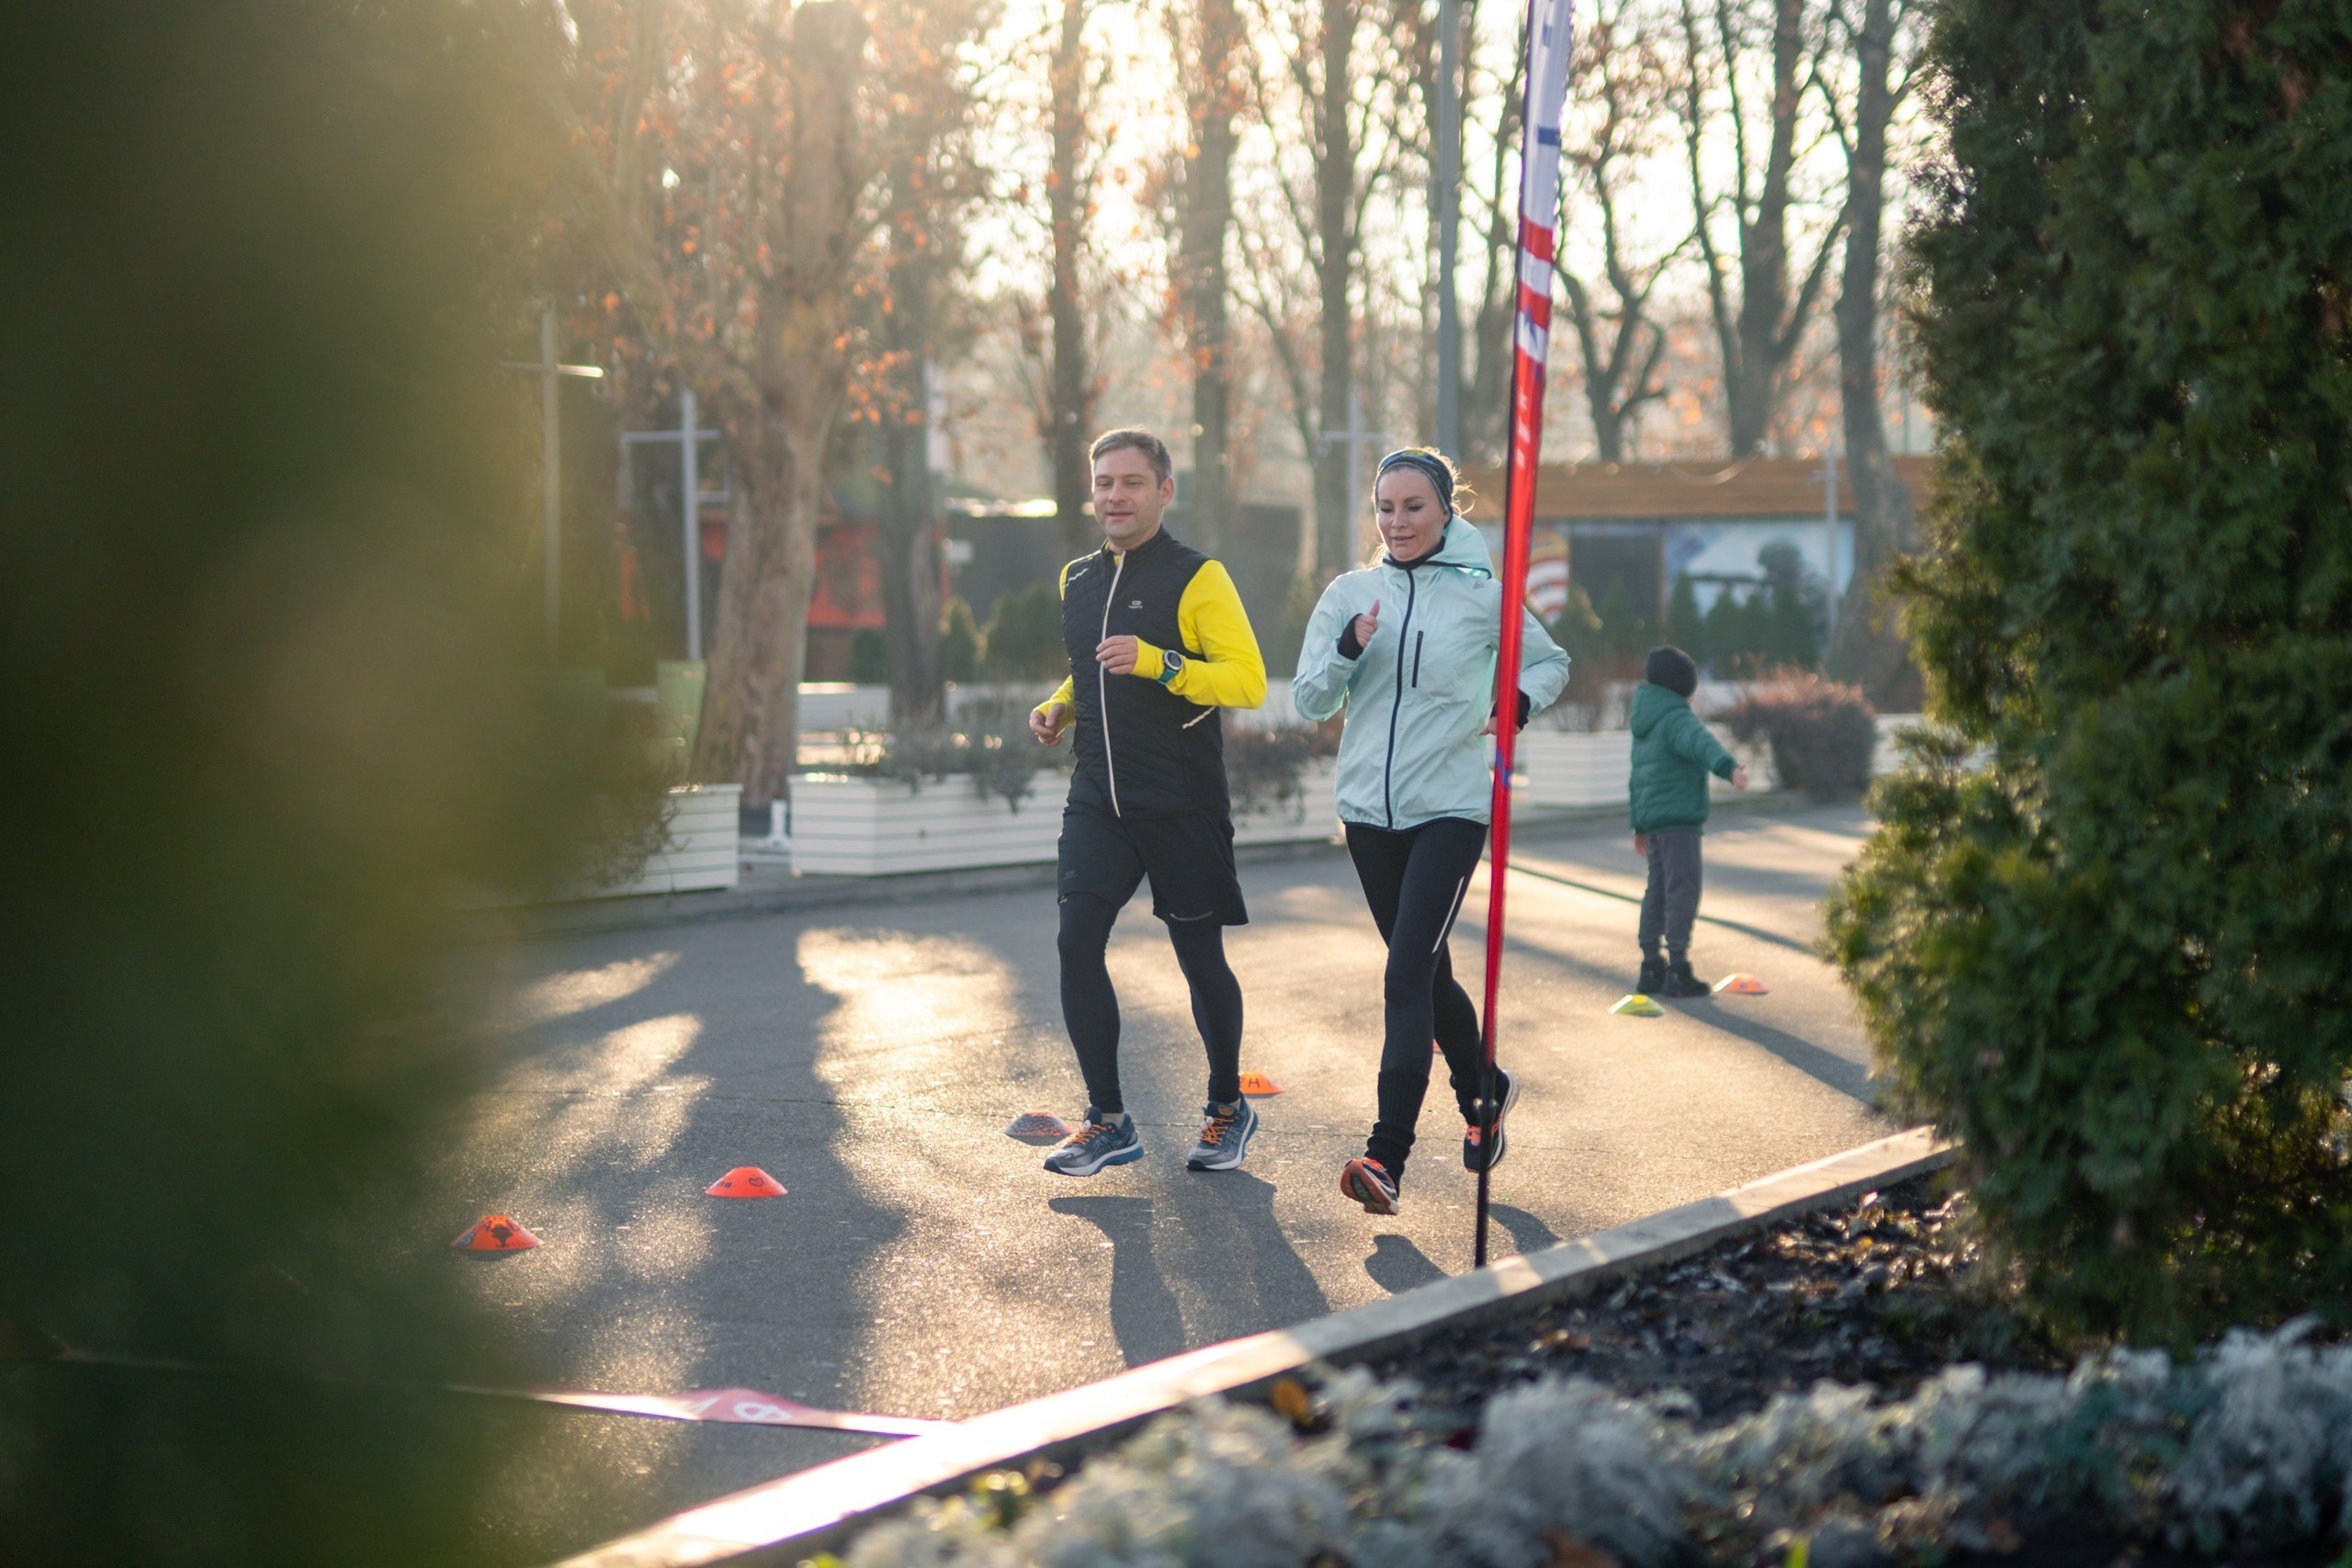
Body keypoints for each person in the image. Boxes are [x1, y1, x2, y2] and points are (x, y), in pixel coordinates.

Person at [1291, 448, 1570, 1216]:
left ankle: (1386, 1156)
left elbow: (1550, 663)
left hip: (1449, 809)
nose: (1398, 521)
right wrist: (1348, 647)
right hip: (1366, 815)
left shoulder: (1484, 597)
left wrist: (1514, 703)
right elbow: (1309, 700)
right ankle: (1484, 1088)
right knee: (1428, 972)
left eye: (1414, 506)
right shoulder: (1350, 593)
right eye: (1386, 507)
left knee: (1404, 975)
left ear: (1448, 509)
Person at [1027, 428, 1269, 1176]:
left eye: (1132, 482)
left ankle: (1227, 1105)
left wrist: (1163, 663)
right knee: (1076, 942)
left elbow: (1247, 680)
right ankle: (1107, 1120)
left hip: (1180, 798)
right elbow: (1090, 667)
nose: (1115, 496)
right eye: (1104, 482)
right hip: (1100, 793)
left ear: (1165, 491)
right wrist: (1062, 704)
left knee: (1199, 956)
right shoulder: (1077, 578)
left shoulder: (1199, 577)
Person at [1627, 645, 1749, 998]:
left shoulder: (1646, 720)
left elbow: (1638, 778)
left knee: (1657, 890)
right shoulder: (1677, 717)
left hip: (1655, 822)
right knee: (1683, 888)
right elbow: (1701, 743)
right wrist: (1728, 768)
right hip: (1679, 820)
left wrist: (1640, 826)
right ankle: (1678, 969)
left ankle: (1651, 965)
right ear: (1683, 686)